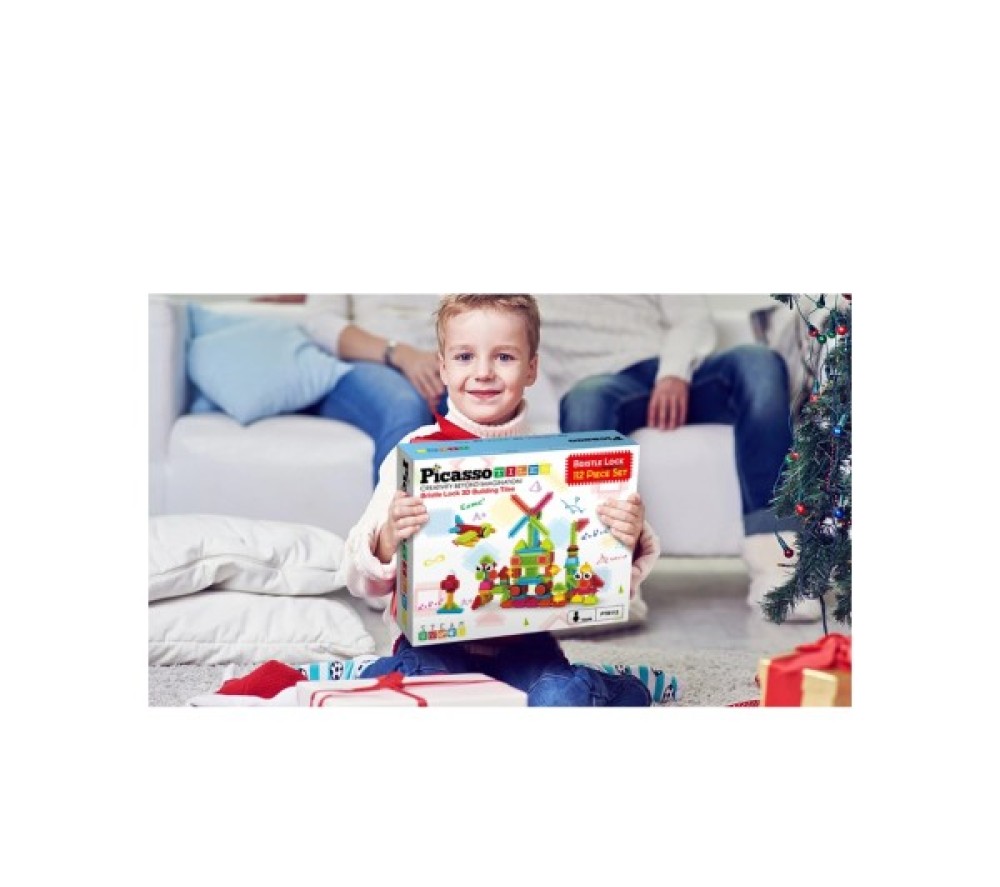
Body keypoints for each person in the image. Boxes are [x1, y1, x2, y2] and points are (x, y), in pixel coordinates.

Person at [342, 294, 661, 706]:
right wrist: (387, 537)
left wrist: (627, 538)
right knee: (416, 689)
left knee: (560, 697)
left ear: (531, 368)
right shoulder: (413, 452)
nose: (483, 373)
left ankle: (611, 687)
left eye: (505, 357)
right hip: (431, 647)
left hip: (524, 646)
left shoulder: (556, 462)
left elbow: (607, 584)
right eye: (464, 357)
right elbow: (358, 579)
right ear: (442, 367)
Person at [546, 294, 819, 621]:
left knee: (759, 362)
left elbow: (692, 317)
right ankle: (607, 581)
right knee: (585, 400)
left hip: (683, 373)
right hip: (601, 385)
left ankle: (779, 568)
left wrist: (673, 374)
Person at [254, 294, 444, 485]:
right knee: (404, 407)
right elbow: (321, 322)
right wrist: (402, 355)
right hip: (371, 360)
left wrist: (438, 367)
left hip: (442, 362)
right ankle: (397, 504)